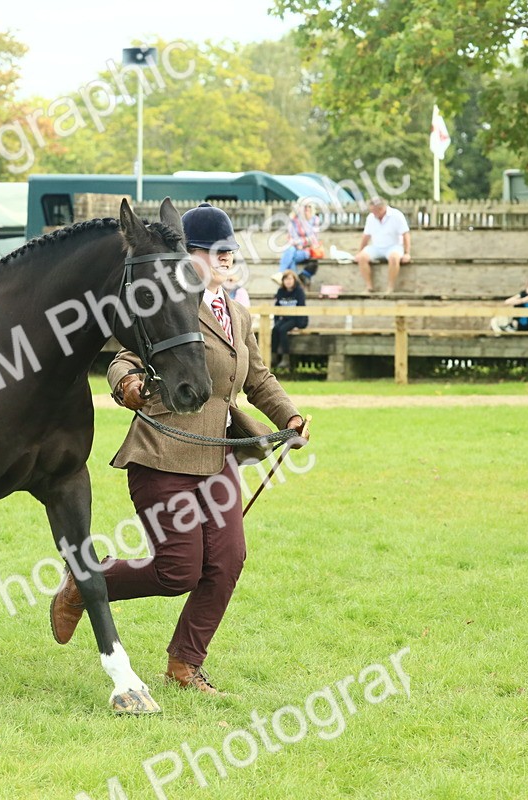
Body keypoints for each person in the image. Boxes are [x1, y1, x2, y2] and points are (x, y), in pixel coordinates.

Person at [50, 203, 305, 695]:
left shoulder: (238, 314)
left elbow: (258, 378)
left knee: (227, 561)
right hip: (162, 454)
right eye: (218, 251)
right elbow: (123, 360)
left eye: (231, 251)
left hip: (218, 457)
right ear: (191, 256)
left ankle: (185, 664)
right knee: (178, 570)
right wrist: (129, 388)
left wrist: (289, 417)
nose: (228, 259)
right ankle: (85, 583)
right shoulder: (166, 303)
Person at [355, 196, 411, 293]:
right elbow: (366, 236)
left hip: (394, 246)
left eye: (373, 211)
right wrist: (360, 252)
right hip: (376, 247)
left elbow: (405, 234)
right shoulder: (371, 218)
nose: (372, 213)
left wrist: (407, 253)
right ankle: (369, 287)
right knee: (362, 257)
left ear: (380, 209)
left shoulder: (396, 215)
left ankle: (390, 287)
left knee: (394, 258)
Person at [272, 269, 308, 371]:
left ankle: (285, 358)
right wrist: (276, 322)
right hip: (285, 318)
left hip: (296, 319)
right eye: (286, 279)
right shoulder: (280, 292)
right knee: (275, 329)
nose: (288, 281)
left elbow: (302, 307)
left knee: (283, 330)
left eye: (290, 279)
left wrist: (300, 326)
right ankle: (273, 356)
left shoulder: (299, 291)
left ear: (294, 280)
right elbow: (276, 308)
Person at [280, 201, 321, 285]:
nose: (307, 208)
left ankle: (281, 275)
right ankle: (293, 280)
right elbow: (290, 238)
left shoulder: (315, 220)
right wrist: (300, 243)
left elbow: (313, 239)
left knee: (290, 257)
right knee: (290, 250)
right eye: (304, 206)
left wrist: (300, 243)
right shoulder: (294, 221)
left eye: (309, 206)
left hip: (307, 250)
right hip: (295, 248)